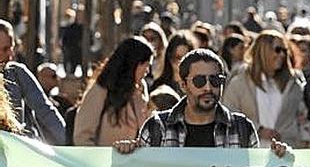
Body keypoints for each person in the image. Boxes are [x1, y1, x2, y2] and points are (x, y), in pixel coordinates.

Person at [114, 49, 288, 157]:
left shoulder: (241, 128)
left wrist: (276, 161)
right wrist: (127, 155)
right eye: (199, 81)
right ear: (183, 85)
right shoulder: (156, 127)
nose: (207, 88)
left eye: (215, 80)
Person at [222, 30, 310, 148]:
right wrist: (258, 129)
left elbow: (302, 116)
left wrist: (307, 142)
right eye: (277, 50)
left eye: (285, 51)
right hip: (250, 153)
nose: (282, 55)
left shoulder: (292, 83)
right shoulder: (239, 82)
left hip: (286, 153)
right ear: (263, 51)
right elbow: (229, 115)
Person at [74, 37, 154, 146]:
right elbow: (82, 136)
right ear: (133, 63)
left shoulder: (140, 89)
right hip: (105, 160)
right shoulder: (100, 90)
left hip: (135, 160)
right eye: (145, 65)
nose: (147, 70)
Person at [0, 19, 65, 144]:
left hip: (22, 148)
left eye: (11, 47)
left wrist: (69, 144)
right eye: (4, 49)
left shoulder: (18, 73)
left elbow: (45, 111)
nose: (10, 54)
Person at [151, 31, 194, 96]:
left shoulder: (197, 85)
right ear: (169, 57)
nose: (180, 62)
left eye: (185, 58)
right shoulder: (158, 84)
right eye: (177, 57)